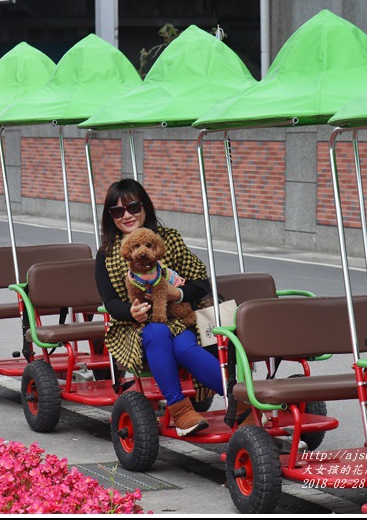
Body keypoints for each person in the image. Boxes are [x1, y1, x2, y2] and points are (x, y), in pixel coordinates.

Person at [95, 178, 255, 436]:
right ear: (110, 216)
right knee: (156, 332)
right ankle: (180, 411)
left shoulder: (168, 239)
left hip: (179, 319)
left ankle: (242, 405)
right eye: (117, 211)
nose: (126, 215)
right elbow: (110, 301)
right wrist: (131, 311)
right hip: (132, 328)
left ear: (145, 207)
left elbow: (201, 279)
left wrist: (178, 294)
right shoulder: (107, 252)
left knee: (184, 345)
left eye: (133, 207)